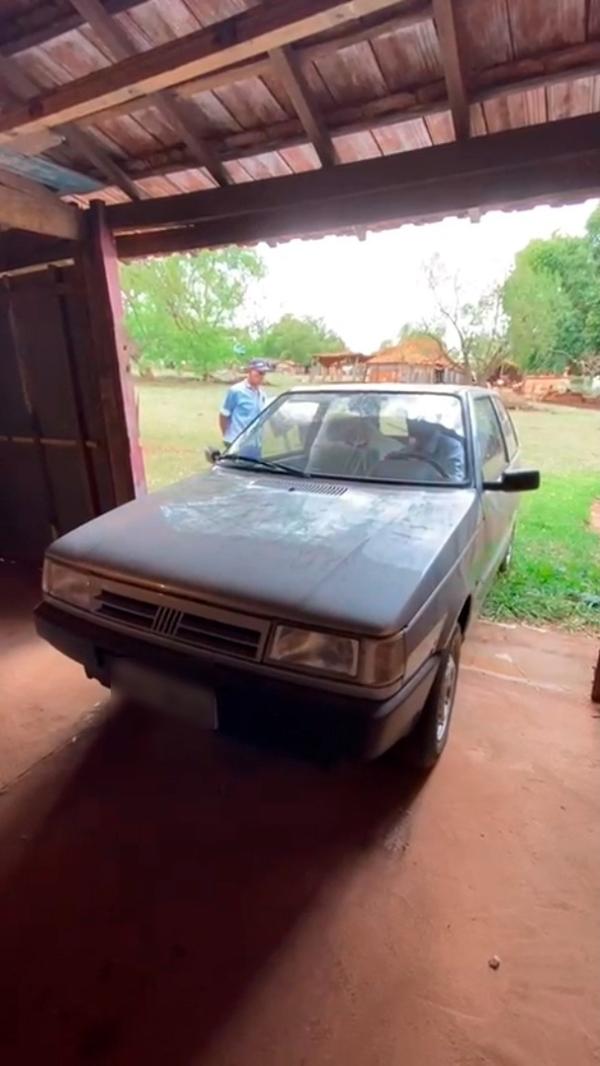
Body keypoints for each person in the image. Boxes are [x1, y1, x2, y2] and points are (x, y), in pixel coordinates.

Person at [219, 360, 269, 446]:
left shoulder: (262, 395)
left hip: (254, 443)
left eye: (263, 373)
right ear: (249, 371)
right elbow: (224, 415)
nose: (261, 376)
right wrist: (228, 437)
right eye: (259, 372)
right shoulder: (236, 391)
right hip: (237, 442)